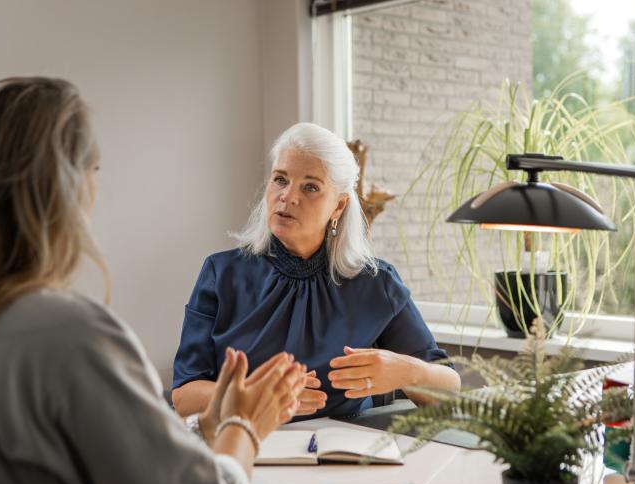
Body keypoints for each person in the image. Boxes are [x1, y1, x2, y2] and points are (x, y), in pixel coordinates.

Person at [0, 77, 305, 484]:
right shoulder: (69, 336)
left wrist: (205, 426)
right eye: (95, 171)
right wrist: (245, 427)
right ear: (64, 188)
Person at [172, 122, 460, 420]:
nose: (288, 196)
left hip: (343, 457)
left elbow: (449, 388)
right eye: (280, 180)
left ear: (339, 206)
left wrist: (406, 372)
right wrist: (253, 397)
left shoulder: (377, 283)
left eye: (310, 187)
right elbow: (185, 395)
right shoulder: (222, 274)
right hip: (246, 450)